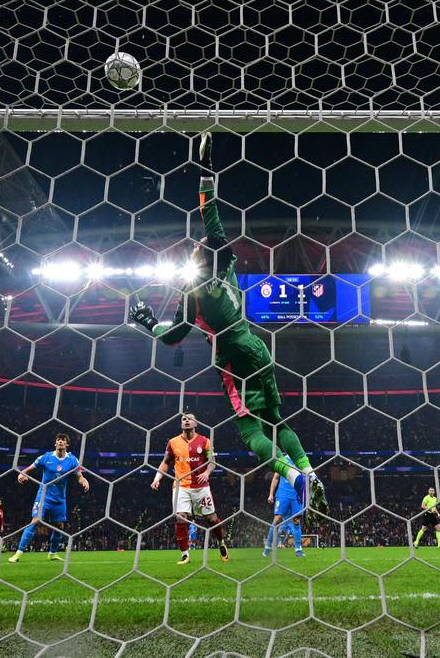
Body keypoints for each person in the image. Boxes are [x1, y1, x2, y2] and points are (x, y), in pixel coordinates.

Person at [129, 133, 326, 515]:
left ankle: (294, 478)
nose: (197, 244)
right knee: (276, 420)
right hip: (257, 346)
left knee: (252, 432)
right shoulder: (229, 266)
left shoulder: (194, 291)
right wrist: (206, 171)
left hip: (232, 358)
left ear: (200, 257)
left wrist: (148, 322)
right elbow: (211, 215)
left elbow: (173, 338)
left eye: (198, 246)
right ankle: (307, 469)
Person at [151, 412, 228, 564]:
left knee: (211, 518)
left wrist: (206, 472)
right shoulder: (173, 442)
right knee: (181, 516)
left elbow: (212, 461)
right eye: (184, 419)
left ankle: (221, 543)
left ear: (196, 423)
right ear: (181, 424)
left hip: (201, 487)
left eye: (190, 419)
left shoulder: (205, 441)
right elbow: (166, 462)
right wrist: (157, 478)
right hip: (181, 486)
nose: (186, 421)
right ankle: (185, 554)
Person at [9, 433, 90, 563]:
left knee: (59, 526)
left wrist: (84, 481)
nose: (60, 442)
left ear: (67, 444)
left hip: (59, 499)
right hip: (43, 496)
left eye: (63, 440)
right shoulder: (45, 458)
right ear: (55, 443)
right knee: (35, 521)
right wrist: (21, 475)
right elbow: (26, 470)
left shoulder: (72, 460)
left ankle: (52, 553)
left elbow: (79, 476)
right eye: (58, 440)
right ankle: (18, 553)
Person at [265, 454, 305, 558]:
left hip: (296, 496)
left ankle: (298, 549)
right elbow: (276, 478)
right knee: (277, 520)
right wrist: (271, 494)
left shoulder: (300, 460)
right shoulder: (283, 460)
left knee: (296, 521)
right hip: (283, 494)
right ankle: (268, 547)